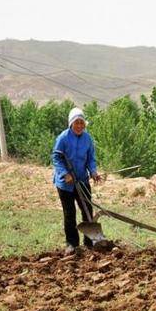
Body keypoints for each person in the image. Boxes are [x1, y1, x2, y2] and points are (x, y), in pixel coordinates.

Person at [52, 107, 101, 255]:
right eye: (76, 123)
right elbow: (56, 158)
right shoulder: (63, 138)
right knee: (70, 213)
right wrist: (65, 174)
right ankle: (72, 244)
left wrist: (93, 172)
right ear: (71, 123)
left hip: (82, 180)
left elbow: (91, 159)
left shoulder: (87, 139)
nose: (79, 126)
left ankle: (91, 242)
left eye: (81, 123)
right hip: (65, 184)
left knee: (87, 210)